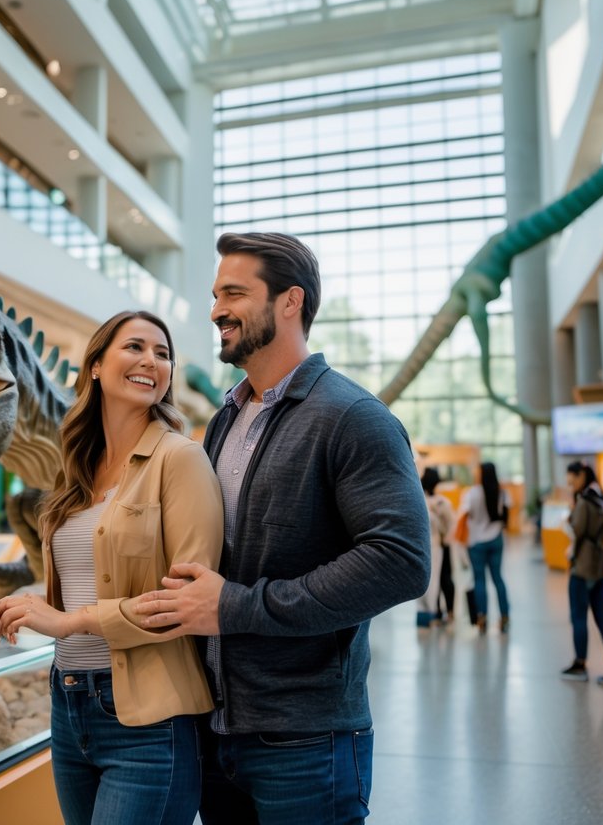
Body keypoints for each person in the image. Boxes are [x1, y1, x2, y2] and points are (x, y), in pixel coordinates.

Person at [129, 232, 430, 824]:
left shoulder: (353, 417)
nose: (216, 310)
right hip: (216, 732)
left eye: (234, 293)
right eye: (215, 294)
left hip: (306, 740)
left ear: (290, 302)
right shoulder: (223, 421)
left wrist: (238, 607)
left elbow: (401, 560)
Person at [0, 311, 223, 825]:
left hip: (149, 720)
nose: (151, 361)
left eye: (163, 353)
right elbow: (85, 580)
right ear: (94, 366)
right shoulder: (77, 469)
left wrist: (68, 622)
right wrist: (29, 605)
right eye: (134, 347)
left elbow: (188, 603)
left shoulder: (180, 460)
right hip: (69, 705)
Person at [561, 461, 603, 686]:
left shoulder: (584, 501)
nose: (570, 483)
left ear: (581, 476)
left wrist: (571, 515)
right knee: (602, 616)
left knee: (578, 616)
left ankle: (580, 664)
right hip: (601, 565)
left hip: (583, 565)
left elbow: (577, 530)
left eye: (572, 478)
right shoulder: (600, 497)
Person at [459, 462, 511, 635]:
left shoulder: (472, 494)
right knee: (498, 578)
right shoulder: (502, 492)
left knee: (479, 580)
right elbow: (505, 518)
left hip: (477, 542)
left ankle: (482, 618)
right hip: (496, 539)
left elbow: (464, 516)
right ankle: (504, 616)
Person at [418, 467, 456, 628]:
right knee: (442, 579)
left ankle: (440, 611)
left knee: (437, 580)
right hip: (438, 546)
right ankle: (444, 612)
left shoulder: (423, 501)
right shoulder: (440, 501)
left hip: (430, 546)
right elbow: (453, 525)